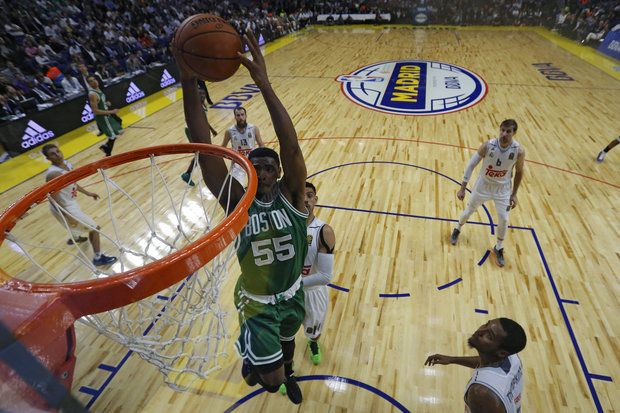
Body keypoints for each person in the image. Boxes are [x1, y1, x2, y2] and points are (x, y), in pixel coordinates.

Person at [175, 30, 307, 405]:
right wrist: (188, 81)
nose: (263, 172)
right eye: (256, 168)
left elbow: (291, 146)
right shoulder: (237, 201)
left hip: (292, 295)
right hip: (257, 302)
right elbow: (205, 152)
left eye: (269, 167)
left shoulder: (293, 195)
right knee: (266, 382)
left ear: (279, 173)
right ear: (248, 174)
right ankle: (258, 361)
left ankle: (286, 370)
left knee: (288, 345)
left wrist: (264, 83)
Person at [279, 182, 335, 396]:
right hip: (286, 295)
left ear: (315, 200)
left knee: (313, 333)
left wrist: (294, 284)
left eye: (309, 195)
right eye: (300, 196)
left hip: (311, 293)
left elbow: (325, 276)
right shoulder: (284, 227)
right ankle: (287, 372)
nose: (305, 200)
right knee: (285, 338)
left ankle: (312, 343)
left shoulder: (324, 231)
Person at [450, 119, 525, 267]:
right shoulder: (487, 146)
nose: (504, 134)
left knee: (504, 219)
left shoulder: (518, 151)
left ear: (514, 133)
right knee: (468, 212)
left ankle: (499, 247)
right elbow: (471, 165)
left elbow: (519, 172)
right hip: (483, 186)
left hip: (503, 190)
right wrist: (462, 187)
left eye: (508, 131)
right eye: (502, 130)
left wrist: (514, 194)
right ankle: (457, 228)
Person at [425, 318, 527, 413]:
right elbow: (485, 362)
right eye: (486, 324)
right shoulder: (512, 358)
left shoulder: (480, 394)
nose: (480, 331)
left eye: (489, 336)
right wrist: (452, 359)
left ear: (502, 353)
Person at [42, 144, 117, 266]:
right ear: (48, 159)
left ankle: (75, 237)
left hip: (70, 202)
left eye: (58, 151)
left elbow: (72, 182)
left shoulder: (67, 164)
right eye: (52, 154)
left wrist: (87, 193)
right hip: (63, 207)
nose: (57, 155)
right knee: (94, 228)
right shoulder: (53, 174)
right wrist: (67, 216)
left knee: (79, 224)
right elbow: (52, 199)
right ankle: (98, 258)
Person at [180, 80, 218, 186]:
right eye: (199, 94)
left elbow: (204, 120)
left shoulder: (202, 105)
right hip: (191, 130)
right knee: (200, 153)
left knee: (201, 153)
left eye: (203, 94)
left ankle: (188, 174)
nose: (202, 96)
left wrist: (211, 129)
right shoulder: (196, 106)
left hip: (197, 130)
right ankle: (187, 174)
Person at [220, 106, 265, 185]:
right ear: (235, 117)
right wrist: (230, 156)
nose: (241, 117)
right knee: (237, 187)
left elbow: (261, 145)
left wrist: (262, 160)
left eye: (242, 114)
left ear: (246, 115)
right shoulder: (229, 131)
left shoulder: (254, 128)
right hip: (238, 163)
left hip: (252, 161)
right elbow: (223, 148)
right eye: (238, 115)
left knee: (258, 185)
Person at [87, 75, 123, 157]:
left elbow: (99, 103)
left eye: (94, 79)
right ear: (89, 84)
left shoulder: (98, 89)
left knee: (118, 131)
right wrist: (112, 111)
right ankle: (107, 154)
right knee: (113, 135)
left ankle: (106, 148)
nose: (94, 81)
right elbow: (95, 111)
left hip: (106, 115)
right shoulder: (92, 94)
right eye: (91, 81)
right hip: (102, 117)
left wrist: (105, 103)